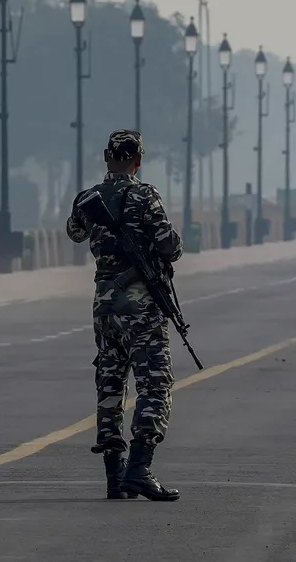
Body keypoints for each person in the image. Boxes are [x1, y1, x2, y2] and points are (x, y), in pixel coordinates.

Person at [66, 129, 183, 502]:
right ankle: (139, 469)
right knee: (155, 384)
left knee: (111, 382)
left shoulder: (88, 199)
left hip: (104, 305)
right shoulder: (145, 196)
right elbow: (170, 247)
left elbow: (74, 232)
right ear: (139, 160)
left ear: (106, 156)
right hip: (141, 308)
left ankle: (114, 476)